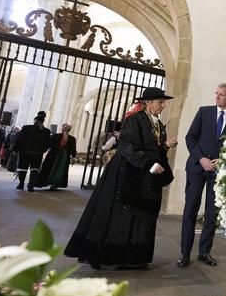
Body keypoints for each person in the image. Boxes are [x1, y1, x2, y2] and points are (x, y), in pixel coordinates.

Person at [65, 87, 177, 269]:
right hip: (126, 172)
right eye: (160, 102)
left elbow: (152, 147)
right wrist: (148, 164)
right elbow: (127, 146)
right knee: (120, 214)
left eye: (163, 102)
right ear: (147, 103)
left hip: (145, 176)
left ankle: (134, 257)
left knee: (141, 214)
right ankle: (108, 256)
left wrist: (165, 146)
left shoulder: (157, 123)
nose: (163, 105)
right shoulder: (135, 119)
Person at [178, 83, 226, 268]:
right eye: (216, 93)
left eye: (221, 95)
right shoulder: (204, 112)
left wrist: (223, 160)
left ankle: (204, 252)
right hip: (197, 168)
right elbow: (190, 137)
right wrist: (201, 158)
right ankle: (185, 253)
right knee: (190, 210)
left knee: (211, 214)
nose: (217, 97)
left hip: (218, 173)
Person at [12, 111, 52, 191]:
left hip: (25, 153)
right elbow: (48, 143)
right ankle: (31, 185)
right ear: (43, 122)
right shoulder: (46, 131)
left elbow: (19, 139)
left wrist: (15, 149)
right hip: (38, 154)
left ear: (35, 120)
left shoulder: (26, 128)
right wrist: (43, 150)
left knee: (23, 168)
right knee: (35, 169)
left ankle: (21, 183)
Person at [36, 123, 77, 190]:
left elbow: (73, 148)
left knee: (60, 170)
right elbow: (50, 144)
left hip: (64, 156)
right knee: (50, 168)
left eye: (64, 128)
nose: (63, 129)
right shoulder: (56, 136)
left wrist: (73, 157)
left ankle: (55, 184)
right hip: (54, 155)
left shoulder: (72, 138)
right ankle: (45, 182)